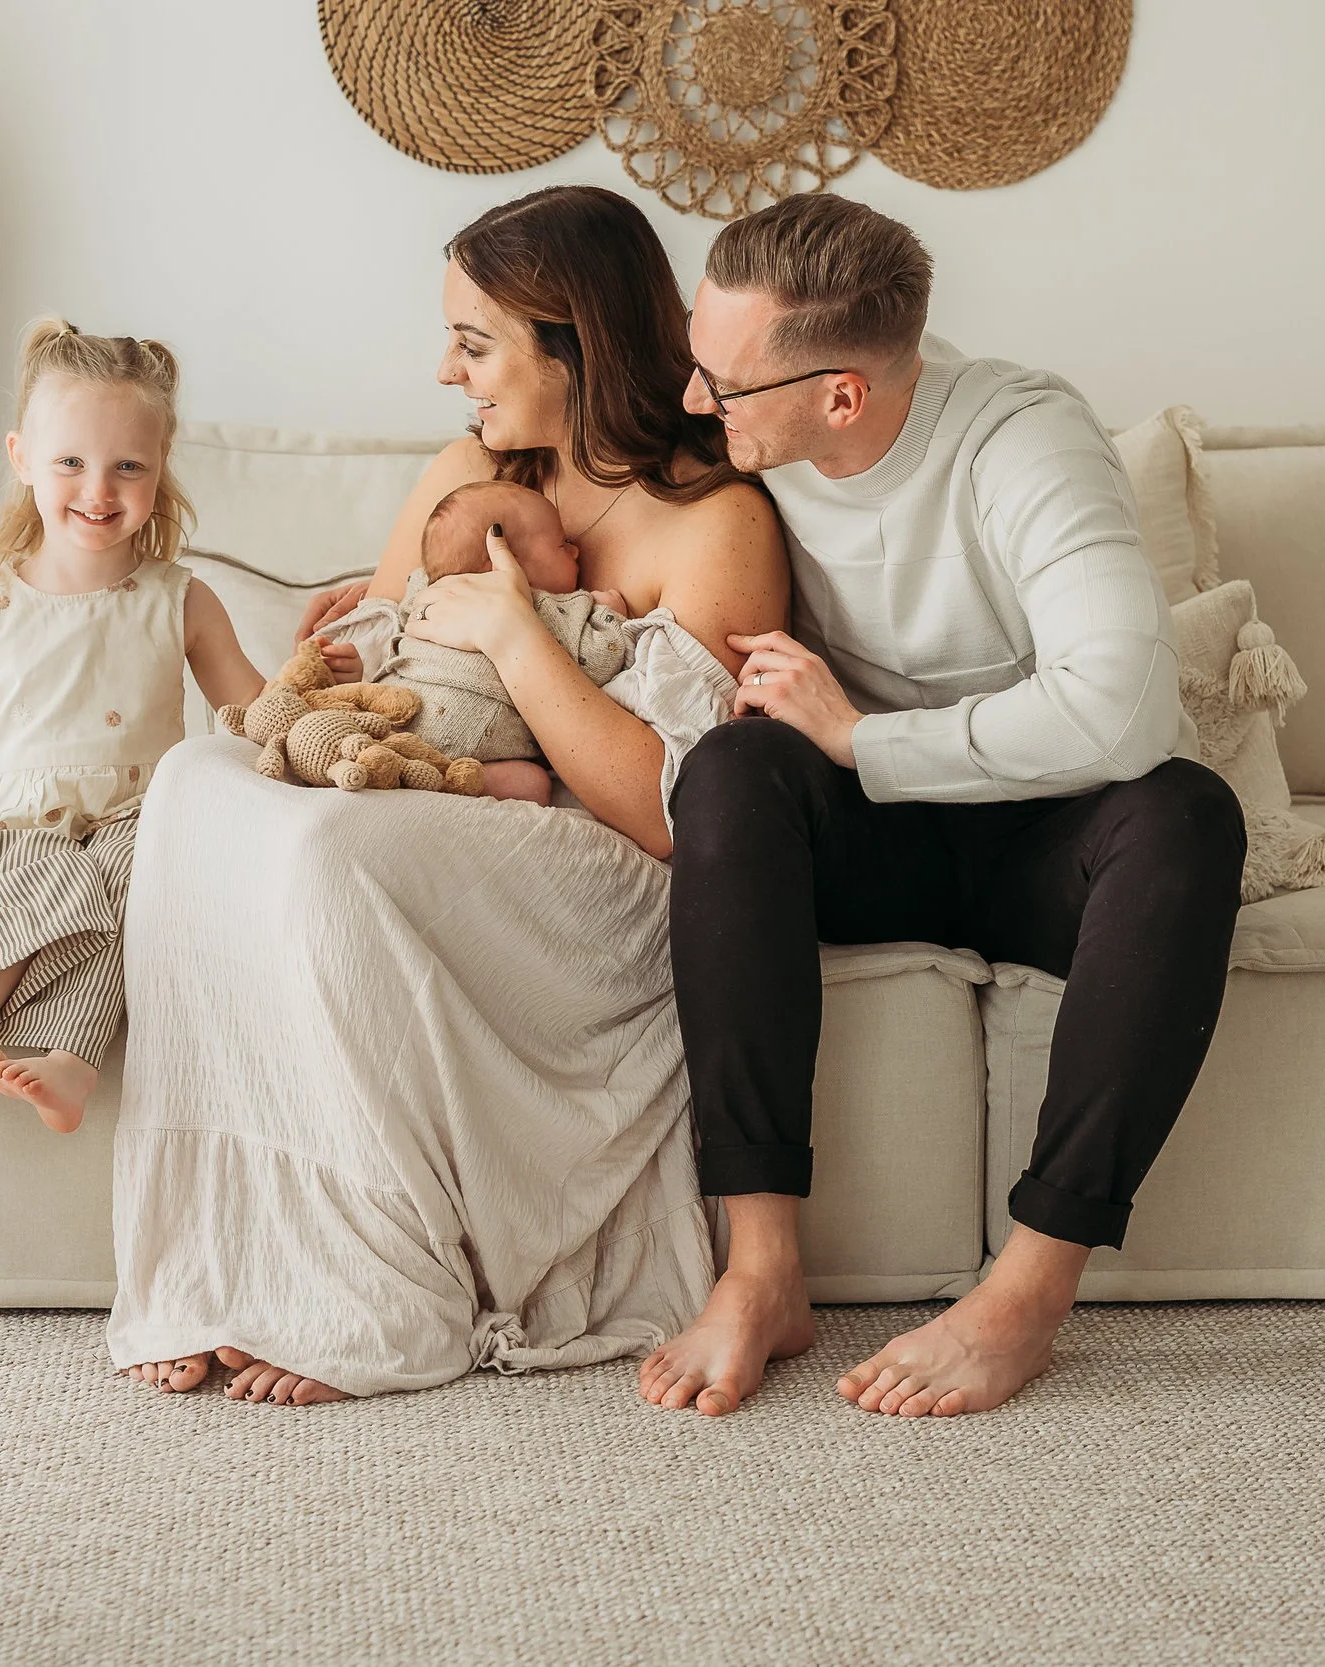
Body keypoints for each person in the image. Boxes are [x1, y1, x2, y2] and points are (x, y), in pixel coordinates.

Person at [108, 185, 789, 1404]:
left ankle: (372, 1295)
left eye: (473, 344)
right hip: (435, 792)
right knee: (194, 781)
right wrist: (336, 660)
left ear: (572, 343)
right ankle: (237, 1263)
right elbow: (384, 661)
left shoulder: (712, 522)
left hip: (594, 863)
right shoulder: (465, 470)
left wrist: (522, 637)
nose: (443, 370)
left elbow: (684, 814)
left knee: (330, 854)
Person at [639, 194, 1246, 1420]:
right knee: (731, 769)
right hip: (869, 840)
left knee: (1186, 813)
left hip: (1049, 841)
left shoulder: (1023, 440)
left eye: (726, 385)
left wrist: (865, 736)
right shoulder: (741, 421)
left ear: (841, 396)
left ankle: (1024, 1293)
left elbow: (1121, 712)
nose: (697, 403)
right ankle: (761, 1271)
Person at [0, 318, 264, 1135]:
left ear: (159, 468)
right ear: (21, 459)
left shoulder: (179, 599)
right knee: (19, 872)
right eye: (70, 462)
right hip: (9, 820)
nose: (98, 490)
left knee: (132, 887)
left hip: (133, 820)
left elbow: (252, 713)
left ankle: (68, 1065)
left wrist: (316, 688)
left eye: (128, 467)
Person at [314, 477, 634, 805]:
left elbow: (581, 686)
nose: (576, 549)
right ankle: (394, 764)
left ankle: (417, 777)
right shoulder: (559, 611)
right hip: (395, 717)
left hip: (461, 759)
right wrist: (610, 617)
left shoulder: (432, 590)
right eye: (562, 544)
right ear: (504, 560)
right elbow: (599, 660)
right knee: (532, 784)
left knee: (533, 784)